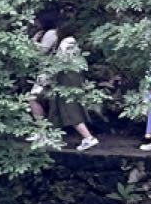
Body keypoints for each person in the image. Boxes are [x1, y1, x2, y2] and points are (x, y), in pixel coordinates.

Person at [26, 8, 99, 152]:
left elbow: (59, 63)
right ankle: (49, 134)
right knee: (60, 107)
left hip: (67, 78)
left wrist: (47, 77)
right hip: (69, 77)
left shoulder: (66, 43)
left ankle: (88, 138)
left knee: (69, 109)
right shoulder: (69, 41)